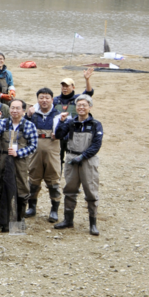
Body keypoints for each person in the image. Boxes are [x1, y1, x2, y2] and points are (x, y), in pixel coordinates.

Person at [54, 95, 102, 235]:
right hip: (71, 158)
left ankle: (93, 223)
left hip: (88, 160)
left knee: (91, 191)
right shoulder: (70, 123)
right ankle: (68, 220)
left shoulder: (95, 124)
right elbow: (58, 135)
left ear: (90, 107)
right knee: (69, 189)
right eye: (79, 105)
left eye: (84, 105)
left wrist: (83, 156)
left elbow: (96, 145)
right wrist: (61, 121)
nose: (81, 108)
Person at [0, 100, 38, 232]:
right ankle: (3, 221)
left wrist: (18, 153)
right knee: (2, 188)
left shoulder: (29, 125)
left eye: (17, 108)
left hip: (20, 162)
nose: (14, 110)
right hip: (3, 160)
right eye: (12, 108)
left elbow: (33, 146)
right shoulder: (3, 122)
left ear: (23, 111)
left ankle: (18, 221)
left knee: (21, 189)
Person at [26, 87, 63, 222]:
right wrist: (28, 115)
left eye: (47, 98)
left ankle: (54, 210)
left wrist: (62, 125)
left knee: (53, 182)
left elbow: (66, 133)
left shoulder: (59, 115)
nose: (44, 100)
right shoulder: (33, 114)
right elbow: (24, 128)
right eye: (41, 97)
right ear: (37, 99)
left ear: (52, 99)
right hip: (35, 152)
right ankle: (32, 207)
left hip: (52, 152)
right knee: (33, 180)